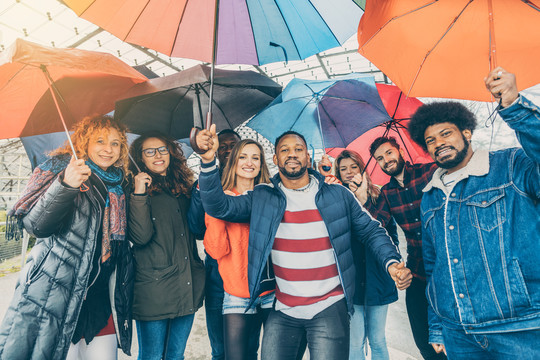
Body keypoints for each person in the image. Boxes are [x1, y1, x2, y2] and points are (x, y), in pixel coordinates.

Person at [195, 128, 412, 360]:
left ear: (308, 157)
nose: (292, 154)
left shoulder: (337, 194)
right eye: (285, 150)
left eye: (298, 149)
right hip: (283, 308)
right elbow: (219, 207)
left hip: (329, 306)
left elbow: (371, 231)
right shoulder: (263, 197)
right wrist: (208, 161)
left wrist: (392, 263)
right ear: (276, 159)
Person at [407, 68, 540, 359]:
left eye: (446, 133)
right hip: (459, 334)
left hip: (519, 327)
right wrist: (438, 326)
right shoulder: (430, 196)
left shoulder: (510, 166)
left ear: (466, 133)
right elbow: (434, 266)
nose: (438, 142)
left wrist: (514, 105)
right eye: (430, 140)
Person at [0, 115, 134, 360]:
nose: (108, 149)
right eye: (100, 141)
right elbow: (36, 226)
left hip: (100, 298)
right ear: (84, 142)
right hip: (57, 294)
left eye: (116, 143)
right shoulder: (61, 169)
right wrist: (65, 185)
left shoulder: (121, 182)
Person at [362, 136, 443, 360]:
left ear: (399, 151)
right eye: (379, 158)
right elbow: (373, 223)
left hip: (446, 269)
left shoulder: (430, 172)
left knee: (453, 337)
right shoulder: (387, 193)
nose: (386, 160)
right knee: (423, 340)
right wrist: (361, 193)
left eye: (389, 153)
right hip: (416, 271)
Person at [129, 132, 205, 360]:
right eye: (149, 151)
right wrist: (139, 193)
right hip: (154, 290)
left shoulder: (183, 186)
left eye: (162, 149)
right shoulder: (134, 189)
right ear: (141, 158)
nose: (158, 155)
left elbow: (198, 230)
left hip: (186, 285)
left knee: (175, 355)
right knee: (152, 356)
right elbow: (140, 237)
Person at [203, 139, 273, 360]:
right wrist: (216, 213)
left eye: (255, 157)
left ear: (262, 164)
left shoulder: (272, 197)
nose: (249, 162)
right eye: (243, 157)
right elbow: (216, 251)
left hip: (272, 292)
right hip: (237, 294)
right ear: (233, 162)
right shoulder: (221, 200)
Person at [333, 150, 399, 360]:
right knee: (355, 342)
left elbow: (388, 237)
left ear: (362, 168)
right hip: (351, 281)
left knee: (377, 339)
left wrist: (364, 201)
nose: (349, 172)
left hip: (378, 279)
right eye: (343, 169)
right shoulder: (335, 201)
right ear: (338, 174)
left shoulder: (380, 197)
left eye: (354, 167)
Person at [188, 129, 242, 360]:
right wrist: (203, 189)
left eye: (234, 145)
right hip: (217, 272)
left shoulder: (254, 181)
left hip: (246, 273)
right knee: (220, 349)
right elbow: (197, 229)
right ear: (216, 150)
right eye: (224, 146)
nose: (228, 150)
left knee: (245, 349)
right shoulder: (205, 182)